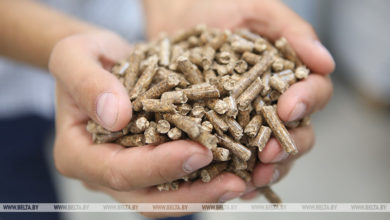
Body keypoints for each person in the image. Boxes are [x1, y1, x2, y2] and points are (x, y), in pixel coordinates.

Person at [0, 0, 334, 218]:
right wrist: (63, 43)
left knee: (176, 185)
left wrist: (177, 6)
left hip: (134, 39)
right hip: (9, 93)